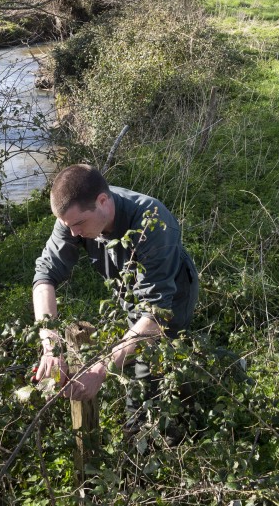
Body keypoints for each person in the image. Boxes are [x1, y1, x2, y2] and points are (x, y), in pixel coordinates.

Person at [31, 164, 199, 405]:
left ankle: (175, 412)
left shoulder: (151, 223)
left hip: (172, 299)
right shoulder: (74, 215)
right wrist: (51, 345)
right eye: (68, 226)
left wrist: (100, 370)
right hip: (133, 297)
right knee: (137, 359)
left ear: (102, 201)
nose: (74, 233)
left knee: (151, 379)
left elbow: (155, 314)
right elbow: (44, 275)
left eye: (79, 224)